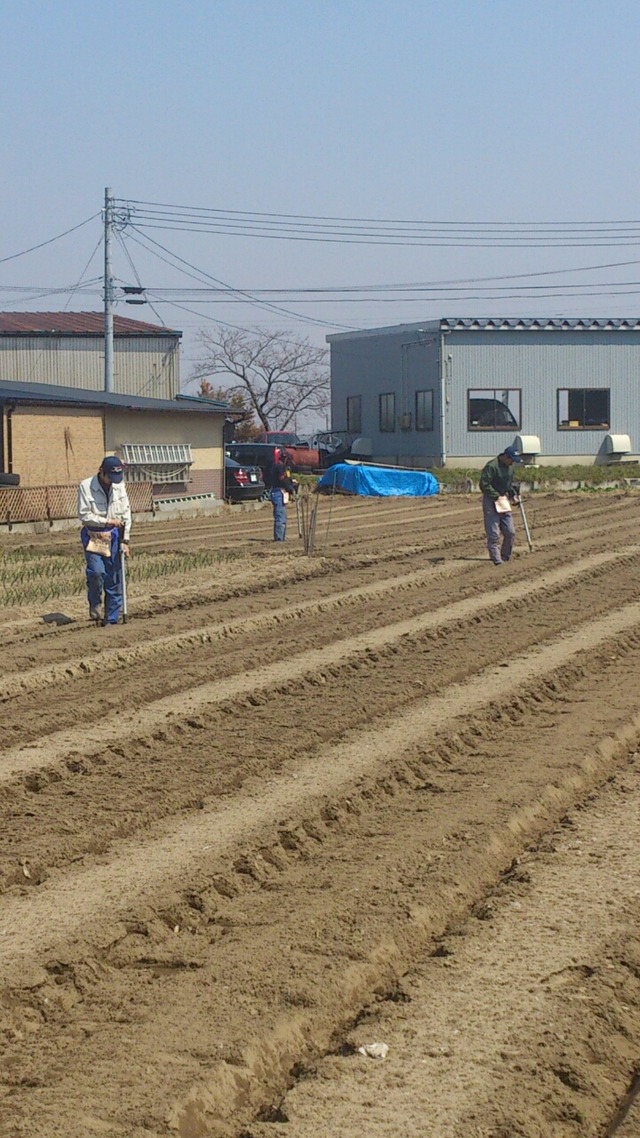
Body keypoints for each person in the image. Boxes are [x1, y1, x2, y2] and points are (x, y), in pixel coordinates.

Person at [77, 456, 131, 624]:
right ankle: (95, 602)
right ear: (101, 471)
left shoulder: (119, 486)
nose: (113, 481)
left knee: (114, 577)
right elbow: (84, 515)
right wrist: (106, 521)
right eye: (110, 477)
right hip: (94, 534)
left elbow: (126, 514)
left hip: (114, 535)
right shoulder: (86, 486)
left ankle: (112, 619)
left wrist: (125, 540)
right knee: (97, 572)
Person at [479, 445, 523, 565]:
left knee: (510, 531)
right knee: (494, 533)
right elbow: (484, 484)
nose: (513, 462)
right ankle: (496, 559)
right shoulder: (492, 466)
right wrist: (495, 495)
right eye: (512, 459)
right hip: (491, 500)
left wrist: (512, 494)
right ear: (506, 457)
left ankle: (505, 556)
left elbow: (508, 483)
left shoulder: (510, 467)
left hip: (504, 500)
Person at [269, 448, 298, 541]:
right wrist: (290, 487)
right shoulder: (280, 467)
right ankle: (279, 538)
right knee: (280, 516)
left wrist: (291, 482)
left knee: (283, 516)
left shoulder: (280, 467)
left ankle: (282, 537)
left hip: (279, 492)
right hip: (278, 492)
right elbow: (282, 480)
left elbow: (286, 479)